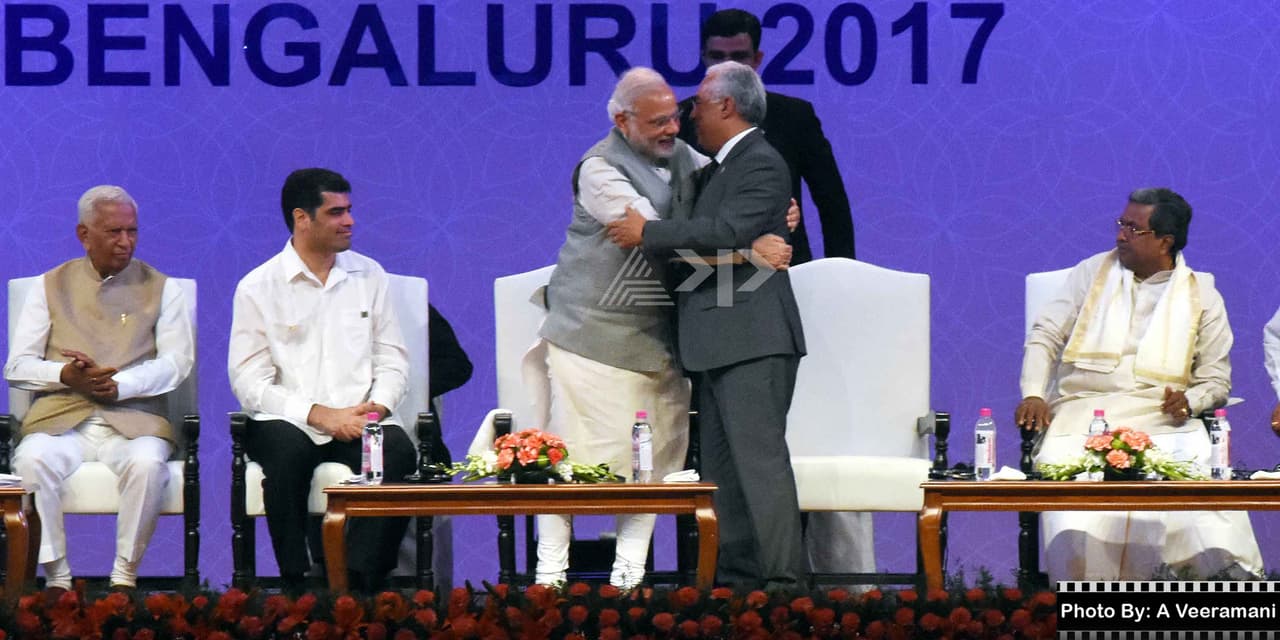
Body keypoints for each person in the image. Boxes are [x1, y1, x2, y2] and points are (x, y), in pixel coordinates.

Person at [532, 67, 792, 589]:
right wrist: (749, 250)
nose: (673, 128)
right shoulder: (600, 170)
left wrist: (767, 214)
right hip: (594, 339)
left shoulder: (685, 156)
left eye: (676, 116)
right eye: (658, 122)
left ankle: (630, 579)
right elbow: (662, 240)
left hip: (660, 341)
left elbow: (718, 202)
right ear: (622, 121)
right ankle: (550, 578)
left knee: (650, 468)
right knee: (578, 463)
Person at [608, 61, 807, 591]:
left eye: (697, 102)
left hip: (752, 338)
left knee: (759, 466)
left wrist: (649, 233)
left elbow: (724, 229)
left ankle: (785, 587)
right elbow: (718, 240)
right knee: (723, 472)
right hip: (717, 340)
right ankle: (739, 585)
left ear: (726, 105)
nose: (690, 114)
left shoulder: (760, 162)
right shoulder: (720, 166)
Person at [1016, 187, 1262, 581]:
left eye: (1134, 229)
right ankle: (1094, 608)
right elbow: (1045, 334)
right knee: (1078, 517)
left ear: (1165, 242)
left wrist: (1191, 400)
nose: (1120, 235)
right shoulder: (1091, 273)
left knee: (1204, 515)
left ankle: (1208, 608)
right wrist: (1033, 393)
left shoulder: (1203, 293)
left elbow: (1216, 379)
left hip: (1164, 419)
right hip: (1083, 414)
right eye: (1121, 224)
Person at [228, 168, 416, 593]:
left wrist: (376, 408)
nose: (350, 221)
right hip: (288, 419)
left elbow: (392, 359)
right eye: (336, 212)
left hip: (361, 416)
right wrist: (319, 415)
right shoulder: (258, 286)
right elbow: (249, 381)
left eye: (349, 210)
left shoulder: (369, 275)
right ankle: (297, 582)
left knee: (397, 452)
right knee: (288, 456)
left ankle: (356, 579)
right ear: (302, 218)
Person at [4, 185, 194, 595]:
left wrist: (117, 385)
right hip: (61, 419)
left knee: (147, 464)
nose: (126, 242)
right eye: (113, 232)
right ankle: (57, 579)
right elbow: (16, 367)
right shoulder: (48, 286)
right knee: (32, 460)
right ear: (84, 234)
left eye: (132, 231)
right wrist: (66, 375)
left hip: (134, 419)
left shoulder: (163, 289)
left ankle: (124, 577)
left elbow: (176, 364)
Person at [677, 8, 854, 264]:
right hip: (704, 270)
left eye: (739, 57)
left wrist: (841, 274)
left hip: (785, 266)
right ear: (703, 57)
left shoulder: (794, 116)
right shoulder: (680, 120)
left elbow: (832, 202)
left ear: (757, 58)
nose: (727, 67)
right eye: (717, 57)